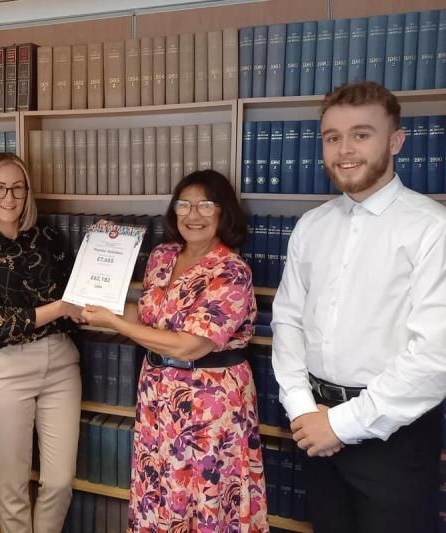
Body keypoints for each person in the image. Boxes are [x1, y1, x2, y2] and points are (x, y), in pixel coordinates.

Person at [271, 81, 446, 533]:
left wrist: (342, 425)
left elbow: (435, 357)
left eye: (361, 135)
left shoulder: (433, 229)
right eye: (332, 137)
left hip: (394, 439)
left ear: (396, 141)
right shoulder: (311, 226)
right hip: (313, 425)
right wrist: (302, 409)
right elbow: (288, 321)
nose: (344, 150)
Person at [81, 169, 268, 532]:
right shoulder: (162, 256)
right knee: (160, 490)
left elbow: (190, 345)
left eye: (205, 205)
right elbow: (148, 316)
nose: (193, 214)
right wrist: (93, 301)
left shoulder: (232, 271)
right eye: (184, 204)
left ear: (223, 211)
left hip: (210, 404)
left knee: (207, 495)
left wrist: (114, 323)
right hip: (158, 396)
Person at [0, 152, 84, 533]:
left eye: (18, 188)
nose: (9, 197)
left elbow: (79, 290)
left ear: (28, 192)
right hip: (7, 369)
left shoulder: (49, 237)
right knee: (12, 487)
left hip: (61, 364)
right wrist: (59, 308)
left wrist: (105, 245)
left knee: (59, 482)